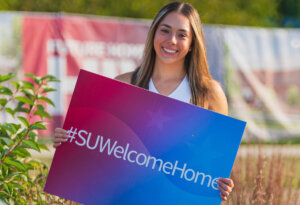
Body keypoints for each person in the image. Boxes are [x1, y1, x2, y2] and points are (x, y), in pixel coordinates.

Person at [54, 1, 234, 201]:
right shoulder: (123, 85)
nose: (172, 40)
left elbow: (214, 163)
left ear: (192, 43)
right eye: (165, 31)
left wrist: (221, 184)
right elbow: (97, 147)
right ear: (153, 34)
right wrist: (69, 141)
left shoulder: (209, 93)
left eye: (182, 34)